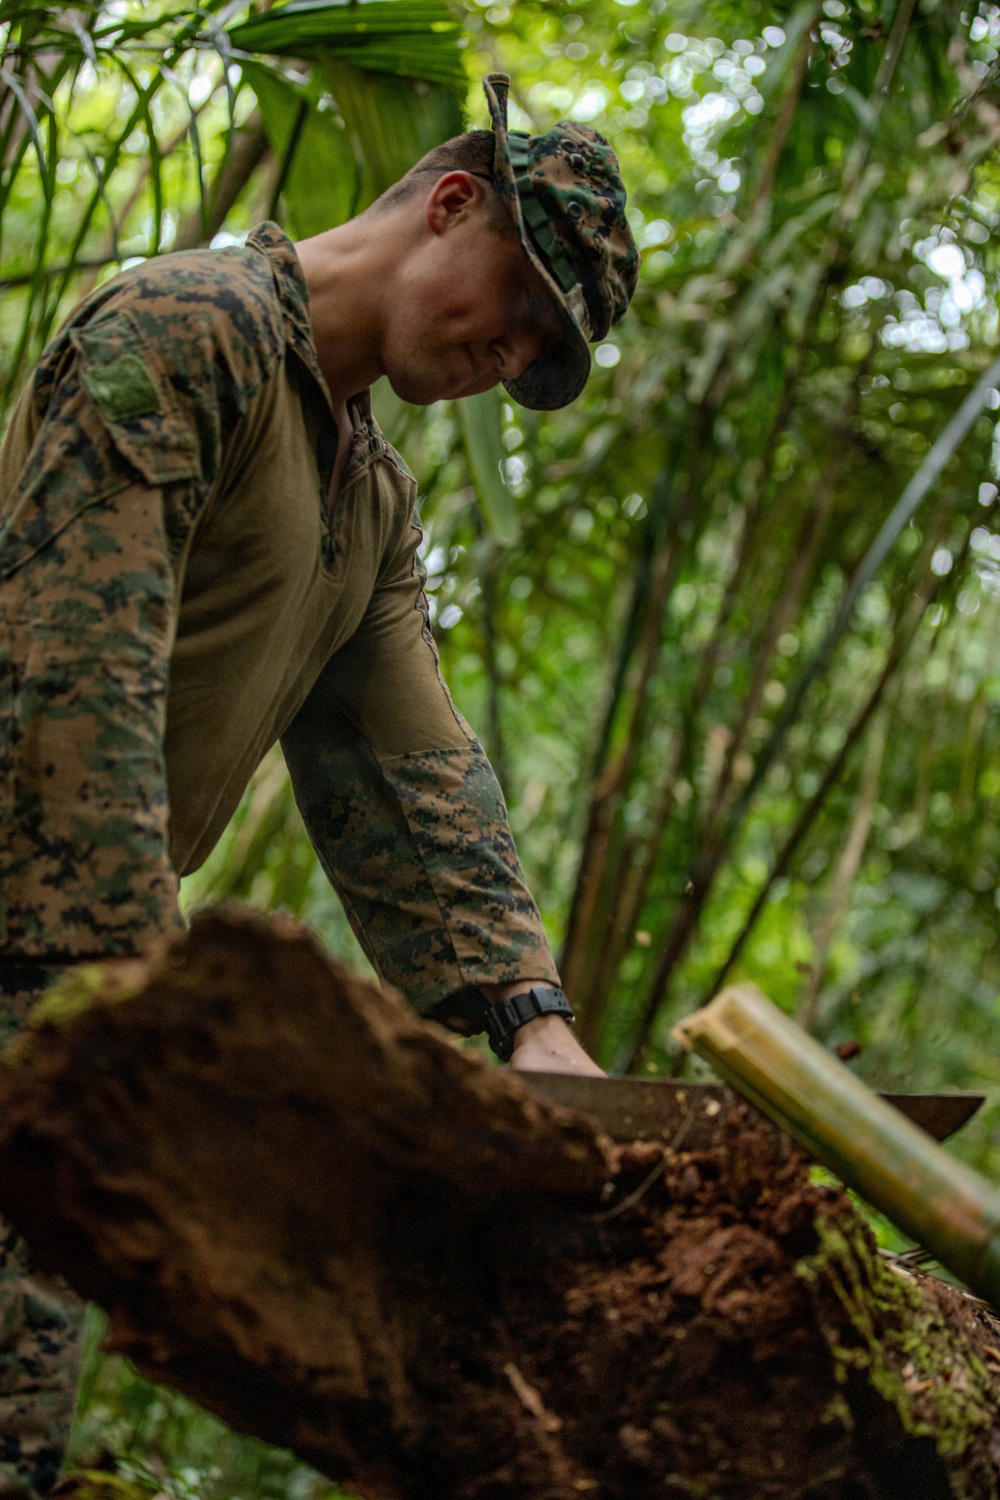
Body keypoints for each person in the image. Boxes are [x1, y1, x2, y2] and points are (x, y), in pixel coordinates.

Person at [0, 72, 638, 1498]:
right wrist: (135, 1004)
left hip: (67, 989)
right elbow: (73, 681)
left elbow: (418, 775)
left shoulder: (368, 497)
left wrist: (529, 1021)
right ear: (452, 202)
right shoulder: (190, 327)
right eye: (521, 302)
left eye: (542, 353)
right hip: (44, 951)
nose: (509, 355)